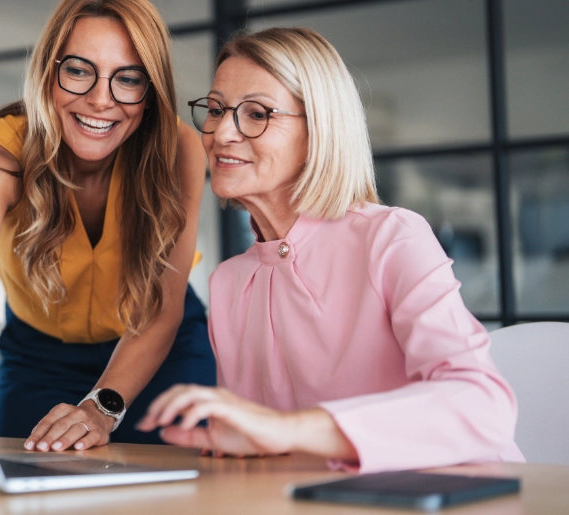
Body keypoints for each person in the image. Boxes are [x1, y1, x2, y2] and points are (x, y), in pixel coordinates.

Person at [137, 27, 524, 472]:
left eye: (257, 113)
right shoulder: (229, 281)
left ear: (319, 128)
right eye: (217, 109)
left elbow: (484, 404)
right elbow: (266, 449)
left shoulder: (391, 237)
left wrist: (288, 431)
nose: (222, 132)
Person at [0, 0, 216, 453]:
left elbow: (162, 306)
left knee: (179, 492)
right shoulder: (0, 156)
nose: (101, 100)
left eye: (127, 78)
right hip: (39, 356)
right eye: (80, 71)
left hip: (161, 342)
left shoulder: (179, 149)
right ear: (48, 73)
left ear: (148, 92)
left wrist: (101, 408)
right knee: (22, 487)